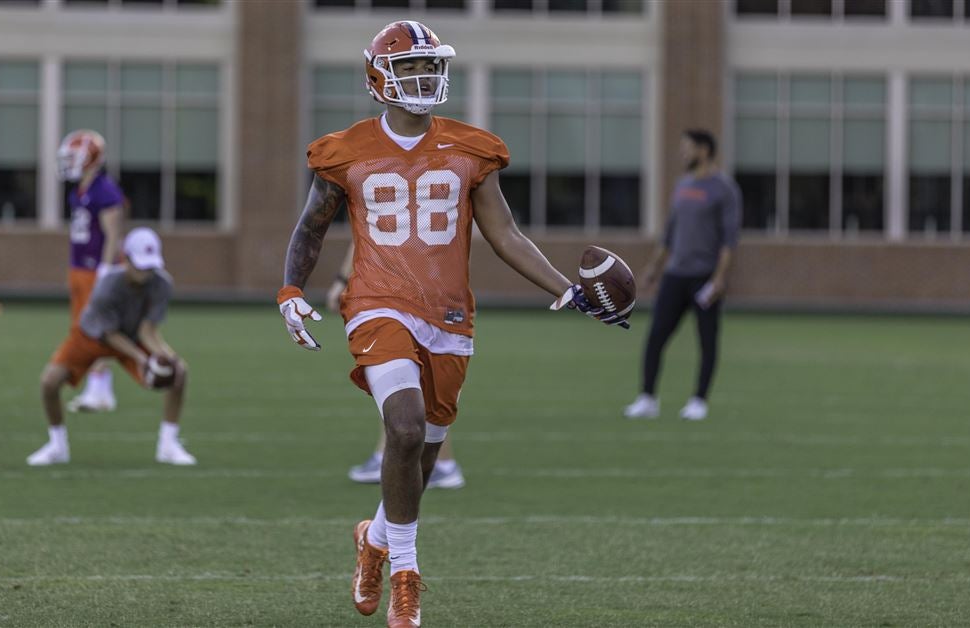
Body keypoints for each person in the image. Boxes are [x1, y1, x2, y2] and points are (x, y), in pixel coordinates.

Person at [277, 21, 626, 627]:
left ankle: (376, 539)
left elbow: (505, 235)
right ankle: (406, 578)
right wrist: (290, 291)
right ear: (379, 78)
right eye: (409, 67)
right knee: (405, 430)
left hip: (449, 315)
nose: (422, 77)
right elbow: (311, 226)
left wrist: (568, 291)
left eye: (428, 66)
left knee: (427, 458)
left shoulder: (472, 148)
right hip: (376, 304)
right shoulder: (345, 149)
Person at [27, 227, 196, 467]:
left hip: (133, 336)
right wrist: (142, 359)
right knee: (49, 382)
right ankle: (57, 445)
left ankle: (168, 445)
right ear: (125, 259)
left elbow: (147, 330)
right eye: (140, 266)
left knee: (179, 373)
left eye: (150, 266)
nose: (146, 272)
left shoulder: (162, 284)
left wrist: (167, 356)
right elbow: (108, 335)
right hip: (92, 337)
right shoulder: (107, 285)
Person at [624, 129, 741, 422]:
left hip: (704, 278)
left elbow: (729, 240)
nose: (683, 153)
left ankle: (698, 401)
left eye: (688, 148)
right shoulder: (682, 185)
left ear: (704, 150)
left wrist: (719, 278)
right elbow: (670, 232)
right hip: (676, 275)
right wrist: (654, 268)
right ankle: (647, 398)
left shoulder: (724, 189)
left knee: (707, 341)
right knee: (656, 337)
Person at [330, 243, 465, 490]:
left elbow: (364, 237)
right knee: (406, 379)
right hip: (426, 285)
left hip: (400, 289)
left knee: (406, 378)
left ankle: (439, 463)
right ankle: (394, 455)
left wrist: (342, 279)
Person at [57, 130, 124, 413]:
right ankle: (98, 389)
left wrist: (106, 270)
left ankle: (100, 391)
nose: (70, 162)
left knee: (95, 330)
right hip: (80, 269)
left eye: (75, 157)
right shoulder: (80, 190)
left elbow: (113, 234)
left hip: (96, 270)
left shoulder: (104, 190)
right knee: (85, 329)